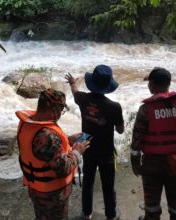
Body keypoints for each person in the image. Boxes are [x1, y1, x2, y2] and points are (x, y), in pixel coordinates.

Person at [130, 67, 176, 220]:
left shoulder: (146, 110)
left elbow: (137, 141)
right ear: (168, 83)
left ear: (153, 85)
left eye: (149, 83)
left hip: (152, 164)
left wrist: (135, 163)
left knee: (151, 201)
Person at [15, 89, 90, 220]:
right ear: (53, 110)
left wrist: (67, 140)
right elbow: (64, 168)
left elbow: (43, 150)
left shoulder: (26, 124)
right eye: (61, 110)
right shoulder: (48, 136)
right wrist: (77, 151)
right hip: (51, 195)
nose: (61, 114)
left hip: (36, 189)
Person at [65, 64, 124, 220]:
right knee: (108, 185)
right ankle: (111, 215)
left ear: (91, 83)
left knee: (88, 182)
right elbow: (120, 130)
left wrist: (72, 82)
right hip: (106, 151)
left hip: (86, 148)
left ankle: (86, 213)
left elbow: (75, 92)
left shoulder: (83, 99)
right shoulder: (114, 107)